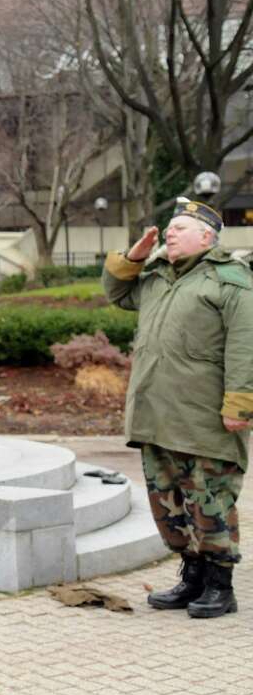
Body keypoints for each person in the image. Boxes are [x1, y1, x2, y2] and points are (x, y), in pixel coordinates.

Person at [103, 197, 252, 619]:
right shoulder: (155, 275)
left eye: (180, 228)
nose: (169, 232)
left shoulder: (231, 279)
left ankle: (220, 586)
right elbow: (117, 293)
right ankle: (192, 577)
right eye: (168, 227)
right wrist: (133, 256)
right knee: (167, 500)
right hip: (156, 412)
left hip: (204, 415)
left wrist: (240, 405)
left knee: (210, 500)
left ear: (207, 237)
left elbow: (246, 346)